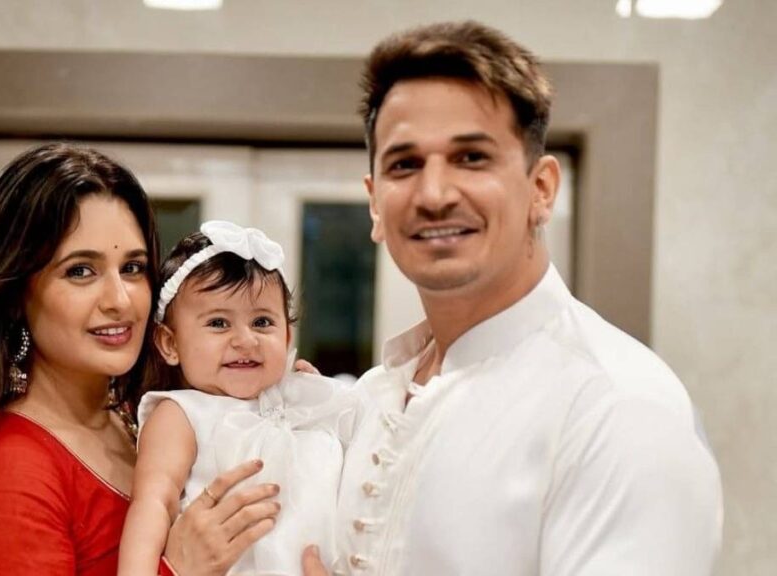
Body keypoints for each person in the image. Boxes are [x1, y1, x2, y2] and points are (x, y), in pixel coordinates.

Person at [302, 21, 723, 576]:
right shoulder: (374, 397)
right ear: (375, 203)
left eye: (471, 158)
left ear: (540, 189)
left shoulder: (619, 405)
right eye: (405, 164)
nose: (434, 194)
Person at [0, 143, 278, 576]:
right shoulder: (10, 476)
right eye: (80, 271)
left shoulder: (140, 417)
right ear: (15, 295)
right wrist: (179, 569)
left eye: (132, 268)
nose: (120, 300)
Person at [119, 221, 358, 575]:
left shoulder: (303, 398)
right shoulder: (181, 415)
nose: (246, 340)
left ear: (287, 336)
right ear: (170, 343)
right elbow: (154, 503)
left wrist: (314, 400)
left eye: (262, 322)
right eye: (218, 323)